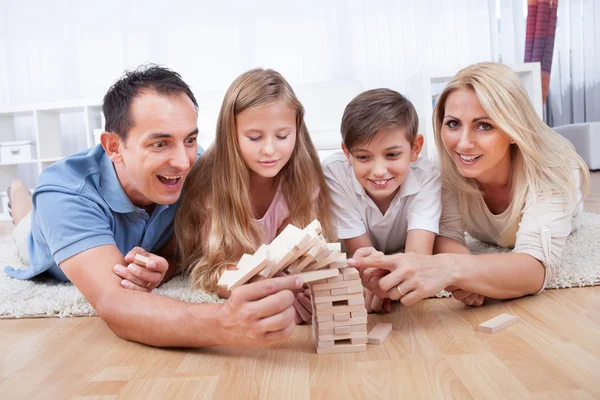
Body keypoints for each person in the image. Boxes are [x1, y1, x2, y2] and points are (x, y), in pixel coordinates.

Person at [5, 64, 303, 348]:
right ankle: (18, 193)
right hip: (42, 238)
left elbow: (180, 250)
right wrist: (225, 322)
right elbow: (115, 303)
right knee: (25, 222)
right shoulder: (65, 192)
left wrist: (167, 268)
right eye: (160, 144)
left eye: (189, 140)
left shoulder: (197, 169)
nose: (184, 161)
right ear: (113, 146)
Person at [348, 62, 591, 307]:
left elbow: (535, 268)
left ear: (513, 130)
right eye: (453, 124)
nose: (463, 144)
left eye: (484, 126)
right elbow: (447, 235)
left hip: (566, 212)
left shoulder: (553, 167)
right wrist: (471, 275)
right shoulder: (445, 168)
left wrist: (453, 268)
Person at [172, 68, 334, 323]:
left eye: (282, 136)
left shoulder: (301, 182)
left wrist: (302, 283)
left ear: (297, 130)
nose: (269, 149)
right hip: (232, 265)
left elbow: (296, 261)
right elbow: (217, 273)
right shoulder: (211, 186)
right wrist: (263, 287)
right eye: (255, 137)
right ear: (231, 135)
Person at [321, 89, 441, 313]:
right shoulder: (334, 172)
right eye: (363, 157)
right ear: (347, 153)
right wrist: (378, 282)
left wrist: (389, 283)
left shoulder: (428, 175)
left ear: (415, 148)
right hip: (360, 255)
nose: (379, 171)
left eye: (392, 155)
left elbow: (417, 260)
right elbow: (364, 262)